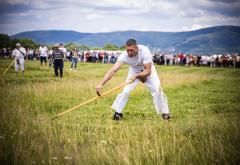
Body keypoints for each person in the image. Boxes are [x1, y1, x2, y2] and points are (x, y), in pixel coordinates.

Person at [96, 39, 170, 121]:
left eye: (131, 50)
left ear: (137, 48)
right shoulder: (123, 56)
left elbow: (148, 71)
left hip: (148, 69)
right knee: (126, 91)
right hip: (134, 70)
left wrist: (137, 76)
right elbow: (113, 71)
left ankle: (165, 113)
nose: (129, 52)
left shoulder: (144, 51)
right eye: (127, 50)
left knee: (157, 90)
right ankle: (118, 113)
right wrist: (101, 84)